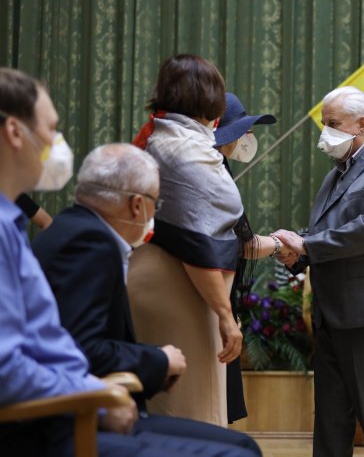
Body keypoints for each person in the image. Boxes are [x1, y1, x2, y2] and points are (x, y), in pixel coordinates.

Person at [0, 68, 258, 456]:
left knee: (241, 444)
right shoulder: (85, 242)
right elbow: (16, 365)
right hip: (50, 425)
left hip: (76, 402)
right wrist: (108, 392)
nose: (56, 142)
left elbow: (50, 345)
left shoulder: (18, 224)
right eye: (51, 129)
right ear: (15, 133)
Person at [31, 143, 262, 455]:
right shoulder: (90, 244)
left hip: (88, 406)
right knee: (239, 451)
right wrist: (159, 360)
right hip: (68, 422)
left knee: (243, 443)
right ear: (138, 205)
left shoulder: (71, 227)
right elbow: (83, 349)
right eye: (158, 202)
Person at [126, 55, 285, 425]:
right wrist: (225, 315)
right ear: (210, 99)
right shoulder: (189, 152)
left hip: (169, 279)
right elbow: (200, 245)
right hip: (182, 287)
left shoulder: (164, 136)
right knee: (192, 414)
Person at [273, 85, 364, 457]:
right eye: (325, 123)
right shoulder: (335, 174)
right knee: (330, 423)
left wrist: (306, 245)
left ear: (361, 124)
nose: (325, 132)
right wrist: (296, 256)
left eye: (333, 123)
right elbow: (326, 232)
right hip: (332, 313)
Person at [212, 92, 286, 424]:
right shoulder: (212, 170)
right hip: (212, 293)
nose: (248, 137)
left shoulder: (216, 164)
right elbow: (245, 245)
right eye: (244, 130)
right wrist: (283, 243)